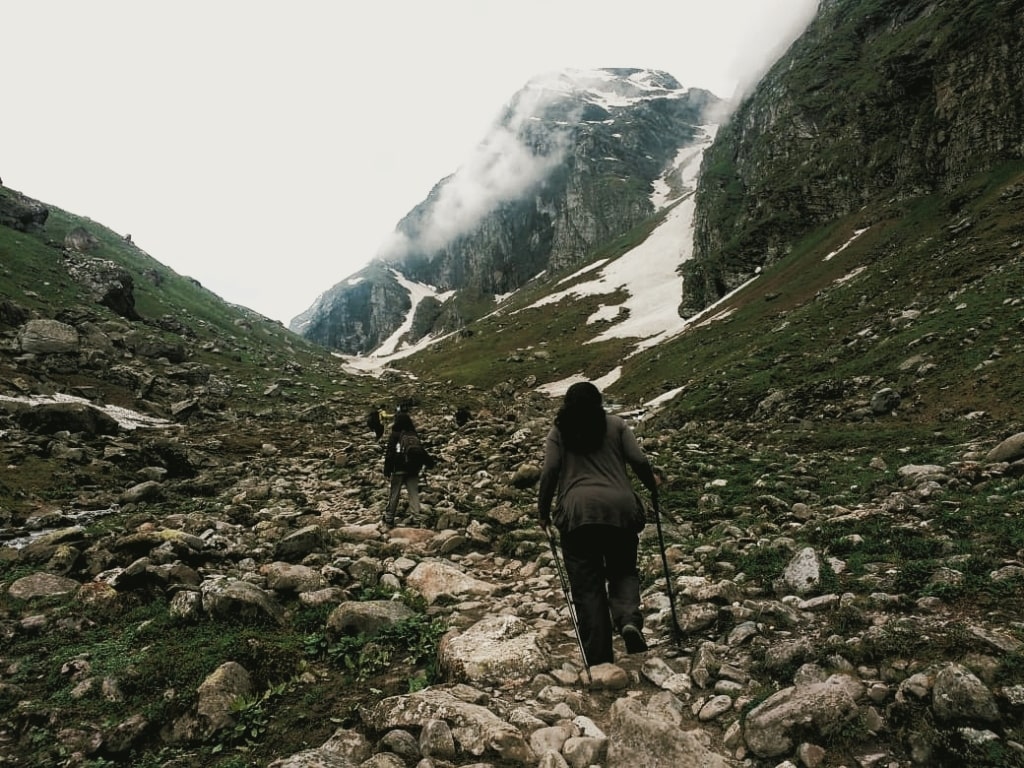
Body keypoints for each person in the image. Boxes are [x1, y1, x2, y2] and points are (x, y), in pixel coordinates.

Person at [537, 381, 659, 666]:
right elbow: (638, 459)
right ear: (599, 401)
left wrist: (542, 511)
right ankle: (628, 619)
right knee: (623, 570)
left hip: (578, 515)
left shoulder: (559, 431)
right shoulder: (616, 425)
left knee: (586, 586)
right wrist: (651, 486)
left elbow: (550, 471)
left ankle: (600, 659)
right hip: (621, 510)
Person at [382, 411, 429, 528]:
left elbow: (390, 454)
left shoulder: (394, 435)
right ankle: (417, 518)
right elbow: (420, 451)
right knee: (414, 494)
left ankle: (389, 518)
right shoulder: (413, 434)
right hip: (413, 469)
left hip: (398, 469)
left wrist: (387, 469)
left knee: (395, 494)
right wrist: (429, 462)